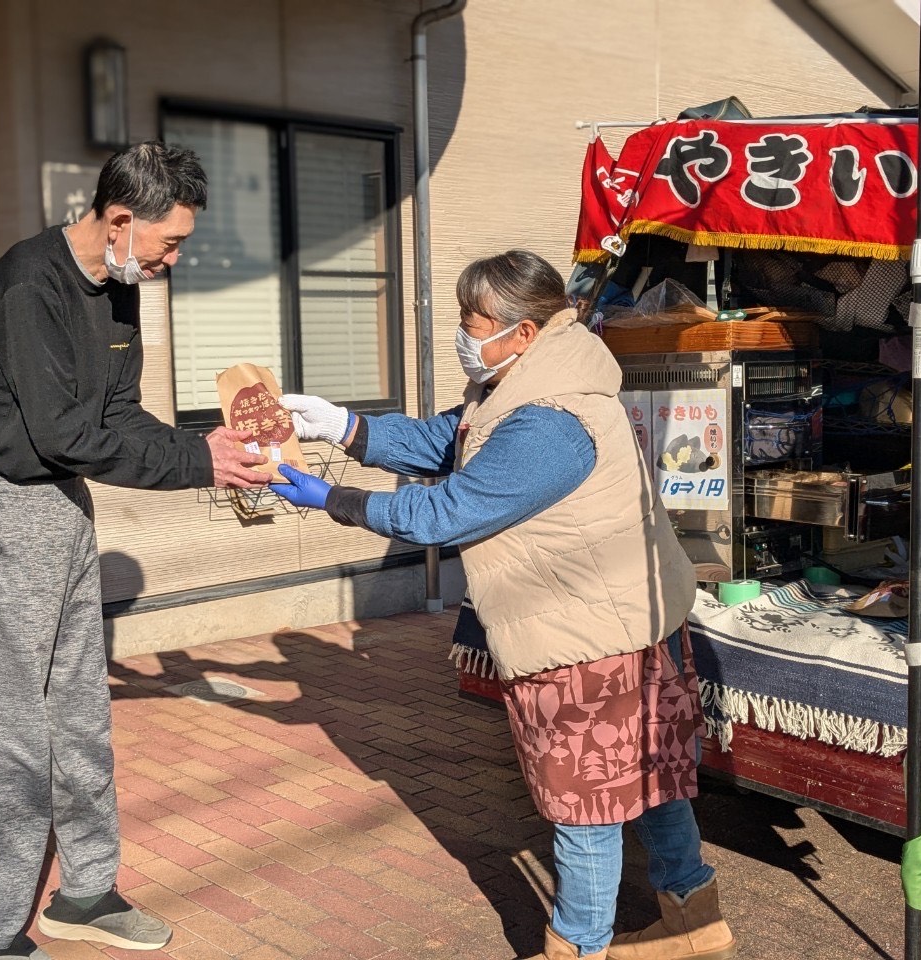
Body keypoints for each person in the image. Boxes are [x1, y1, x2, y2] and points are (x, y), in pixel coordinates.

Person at [272, 250, 737, 960]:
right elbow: (445, 441)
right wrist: (345, 428)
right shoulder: (523, 381)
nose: (463, 334)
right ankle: (694, 917)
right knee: (654, 781)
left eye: (472, 322)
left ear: (523, 332)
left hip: (588, 639)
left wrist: (335, 498)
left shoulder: (550, 420)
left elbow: (450, 511)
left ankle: (578, 946)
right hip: (626, 623)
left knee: (585, 811)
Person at [0, 141, 269, 960]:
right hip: (0, 512)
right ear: (120, 220)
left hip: (66, 507)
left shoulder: (120, 291)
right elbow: (65, 432)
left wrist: (207, 447)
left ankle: (86, 889)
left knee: (80, 710)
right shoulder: (30, 286)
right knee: (10, 732)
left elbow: (118, 418)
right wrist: (199, 463)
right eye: (170, 242)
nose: (174, 258)